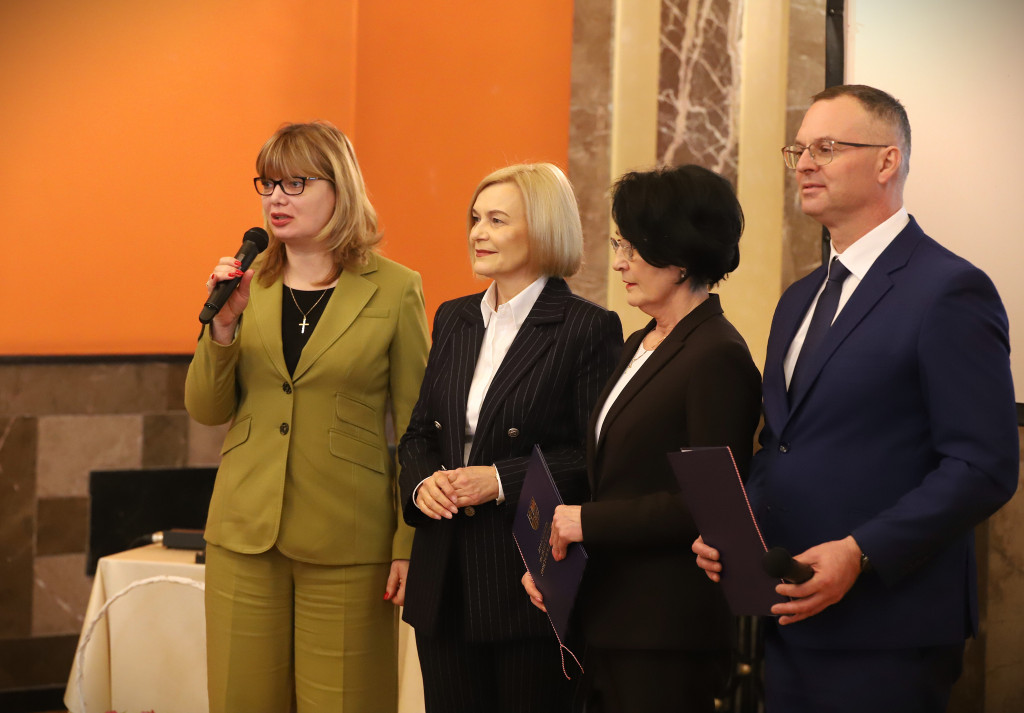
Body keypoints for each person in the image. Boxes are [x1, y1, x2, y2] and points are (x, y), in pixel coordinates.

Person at [694, 85, 1019, 712]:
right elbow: (782, 446)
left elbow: (984, 465)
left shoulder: (949, 290)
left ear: (887, 161)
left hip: (888, 625)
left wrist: (860, 551)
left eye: (826, 148)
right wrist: (740, 533)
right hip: (790, 614)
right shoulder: (798, 299)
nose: (805, 164)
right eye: (799, 150)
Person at [184, 121, 430, 713]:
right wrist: (223, 328)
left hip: (349, 540)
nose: (276, 198)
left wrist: (409, 542)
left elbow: (420, 427)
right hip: (244, 533)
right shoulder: (245, 284)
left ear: (340, 188)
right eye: (268, 183)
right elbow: (206, 408)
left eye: (295, 183)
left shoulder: (395, 289)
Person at [523, 164, 763, 713]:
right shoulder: (640, 342)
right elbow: (614, 476)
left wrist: (586, 521)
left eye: (633, 247)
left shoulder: (717, 355)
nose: (619, 262)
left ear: (680, 257)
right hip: (608, 614)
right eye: (618, 244)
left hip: (667, 629)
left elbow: (709, 507)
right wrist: (553, 558)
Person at [397, 163, 623, 712]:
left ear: (543, 229)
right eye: (475, 219)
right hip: (442, 579)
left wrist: (499, 479)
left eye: (497, 220)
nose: (478, 233)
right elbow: (419, 434)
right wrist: (424, 484)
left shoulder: (587, 327)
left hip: (525, 575)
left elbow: (594, 457)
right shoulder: (453, 318)